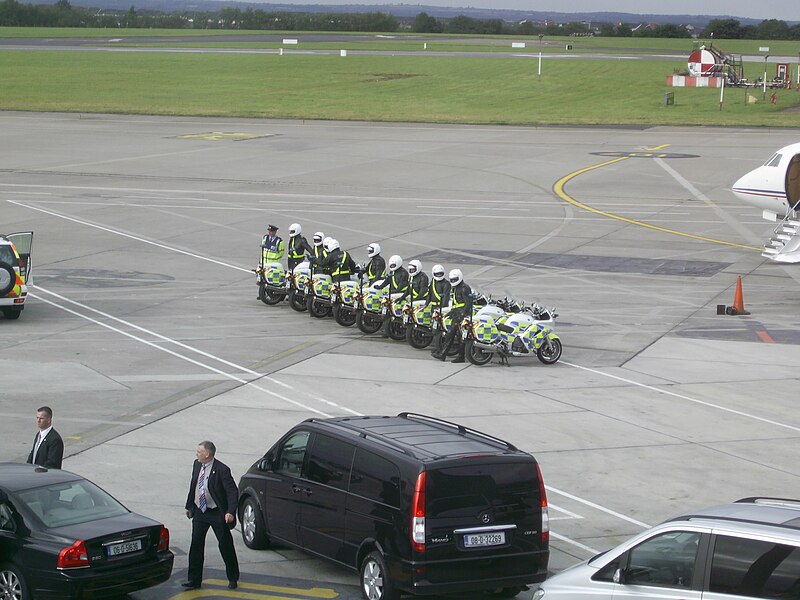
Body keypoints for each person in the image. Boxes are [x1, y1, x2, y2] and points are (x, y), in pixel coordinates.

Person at [183, 441, 240, 590]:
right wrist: (190, 506)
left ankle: (233, 577)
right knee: (196, 544)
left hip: (216, 512)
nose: (197, 454)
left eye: (199, 452)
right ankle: (194, 580)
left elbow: (232, 492)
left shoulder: (222, 470)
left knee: (225, 544)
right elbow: (194, 485)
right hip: (200, 511)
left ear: (207, 454)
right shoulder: (197, 465)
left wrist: (230, 511)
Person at [432, 269, 472, 363]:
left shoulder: (464, 288)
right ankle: (457, 356)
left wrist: (462, 315)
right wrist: (449, 313)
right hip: (456, 313)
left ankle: (444, 355)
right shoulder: (456, 288)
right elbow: (455, 303)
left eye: (455, 279)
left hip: (461, 315)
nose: (453, 281)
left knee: (453, 335)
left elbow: (468, 303)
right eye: (452, 280)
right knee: (457, 336)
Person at [375, 255, 409, 336]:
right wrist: (381, 286)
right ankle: (386, 328)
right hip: (393, 294)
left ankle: (403, 324)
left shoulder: (404, 273)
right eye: (391, 265)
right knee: (386, 308)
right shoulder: (392, 272)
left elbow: (401, 285)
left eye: (393, 265)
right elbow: (387, 280)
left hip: (401, 294)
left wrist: (395, 291)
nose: (392, 267)